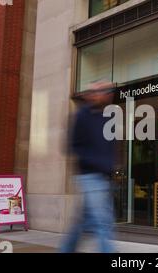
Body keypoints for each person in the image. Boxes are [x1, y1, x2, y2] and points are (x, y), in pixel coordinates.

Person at [60, 80, 116, 253]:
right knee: (102, 222)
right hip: (89, 175)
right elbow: (72, 146)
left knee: (82, 224)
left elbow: (109, 146)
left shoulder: (105, 117)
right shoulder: (81, 116)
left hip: (103, 177)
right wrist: (96, 161)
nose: (106, 94)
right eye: (102, 91)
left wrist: (110, 166)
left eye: (108, 91)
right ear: (92, 94)